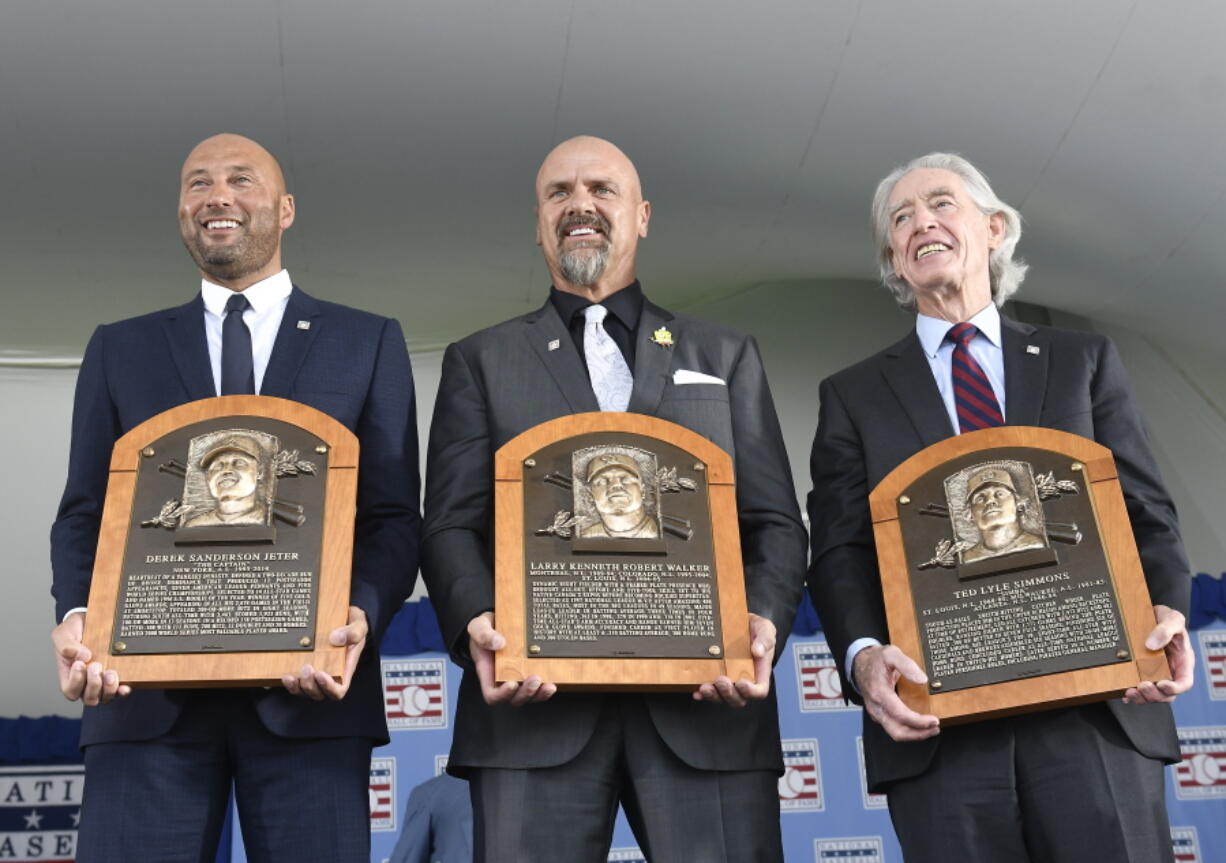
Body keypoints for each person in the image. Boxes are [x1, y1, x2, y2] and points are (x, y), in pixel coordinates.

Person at [421, 135, 806, 863]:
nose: (580, 206)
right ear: (539, 222)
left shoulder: (723, 355)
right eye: (559, 193)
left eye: (601, 190)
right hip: (533, 715)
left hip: (707, 709)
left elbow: (776, 522)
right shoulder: (481, 359)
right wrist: (479, 622)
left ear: (643, 215)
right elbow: (448, 523)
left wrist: (760, 621)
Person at [806, 152, 1194, 863]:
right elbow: (839, 549)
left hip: (1095, 715)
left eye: (940, 203)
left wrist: (1166, 606)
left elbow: (1147, 512)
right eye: (901, 217)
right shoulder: (852, 396)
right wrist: (864, 659)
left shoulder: (1082, 362)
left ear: (993, 227)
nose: (921, 220)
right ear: (894, 255)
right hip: (943, 734)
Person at [49, 133, 420, 863]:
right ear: (182, 213)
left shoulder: (365, 341)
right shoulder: (119, 348)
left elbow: (391, 516)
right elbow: (85, 513)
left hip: (310, 699)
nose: (217, 195)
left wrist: (359, 616)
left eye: (240, 180)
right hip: (142, 701)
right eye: (197, 184)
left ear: (284, 210)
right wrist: (77, 617)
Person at [960, 465, 1045, 563]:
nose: (990, 501)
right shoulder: (968, 558)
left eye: (999, 494)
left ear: (1019, 503)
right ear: (970, 514)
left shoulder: (1036, 544)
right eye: (980, 498)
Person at [182, 435, 270, 528]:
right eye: (218, 466)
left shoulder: (269, 518)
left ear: (259, 472)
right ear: (208, 477)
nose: (226, 470)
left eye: (239, 463)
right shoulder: (194, 525)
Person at [580, 452, 659, 539]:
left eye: (625, 479)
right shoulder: (586, 536)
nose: (615, 485)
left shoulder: (659, 532)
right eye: (603, 481)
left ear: (642, 491)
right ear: (590, 495)